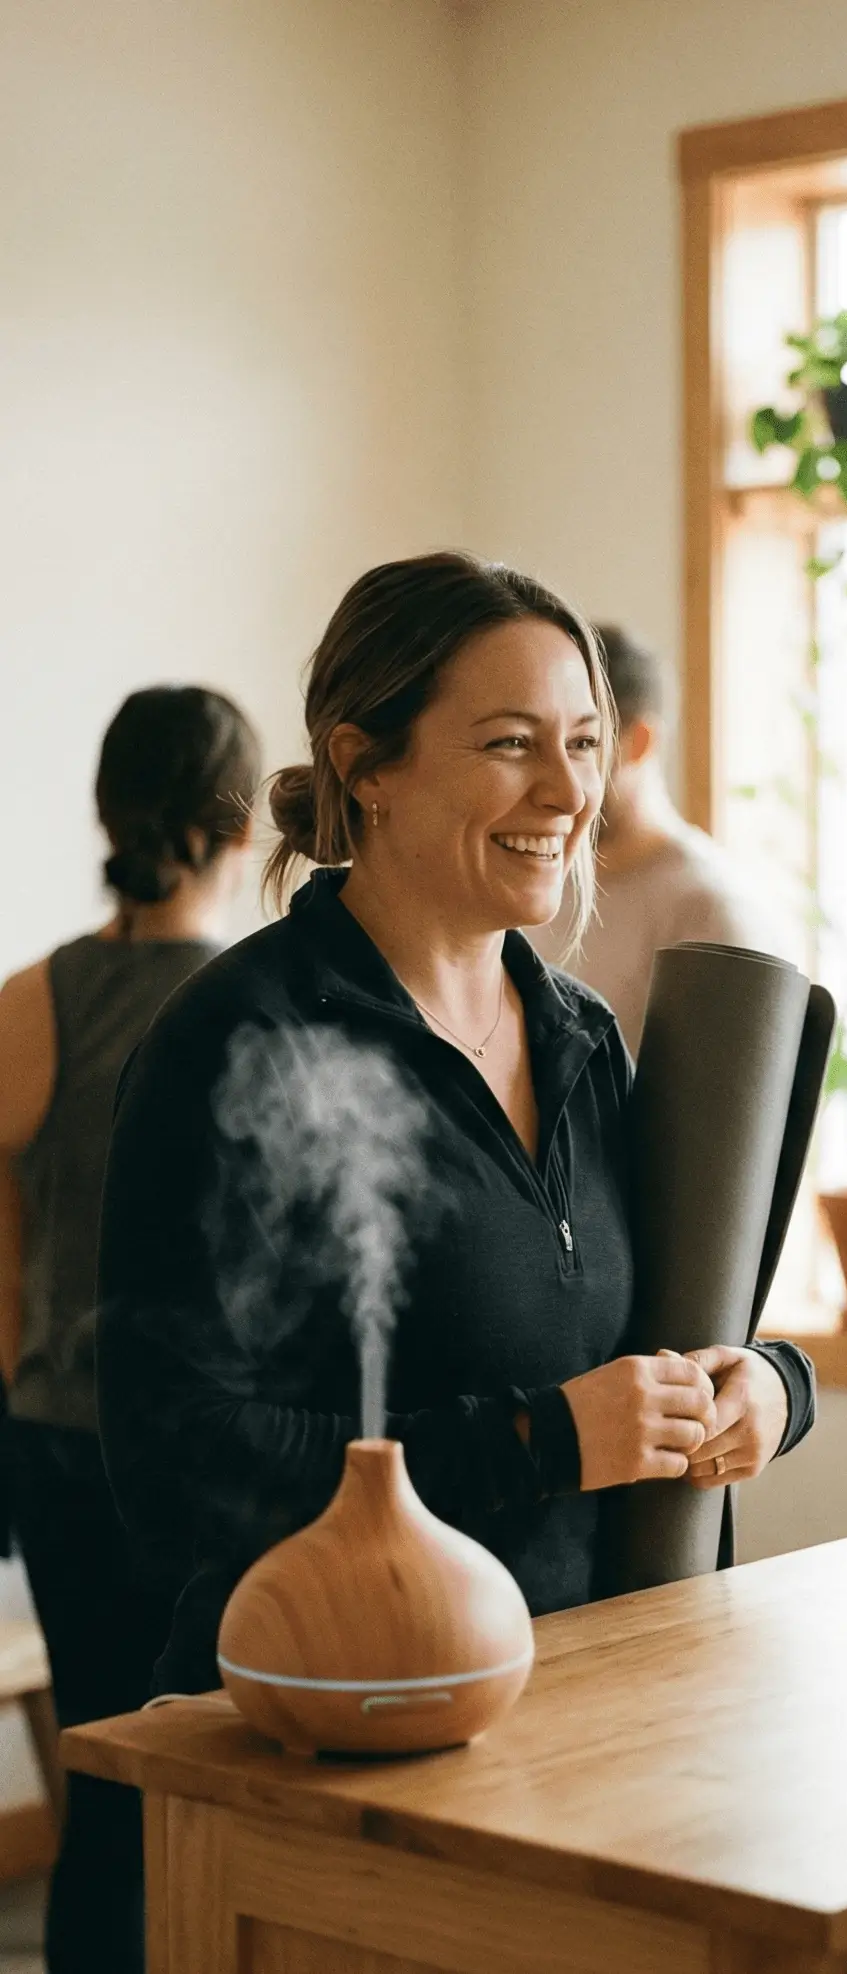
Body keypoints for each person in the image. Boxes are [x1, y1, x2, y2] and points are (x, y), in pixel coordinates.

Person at [98, 552, 815, 1702]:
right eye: (509, 742)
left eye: (582, 742)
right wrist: (542, 1443)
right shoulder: (238, 1045)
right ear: (364, 765)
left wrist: (774, 1390)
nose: (567, 793)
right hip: (328, 1718)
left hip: (584, 1706)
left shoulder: (581, 1038)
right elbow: (175, 1461)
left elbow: (659, 1344)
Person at [0, 686, 261, 1974]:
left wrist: (27, 1379)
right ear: (238, 819)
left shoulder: (27, 1003)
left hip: (51, 1444)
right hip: (208, 1459)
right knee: (216, 1783)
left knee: (100, 1774)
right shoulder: (254, 1003)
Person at [528, 623, 777, 1052]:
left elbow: (720, 1111)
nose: (556, 782)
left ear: (638, 743)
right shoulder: (541, 880)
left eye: (581, 743)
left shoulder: (709, 911)